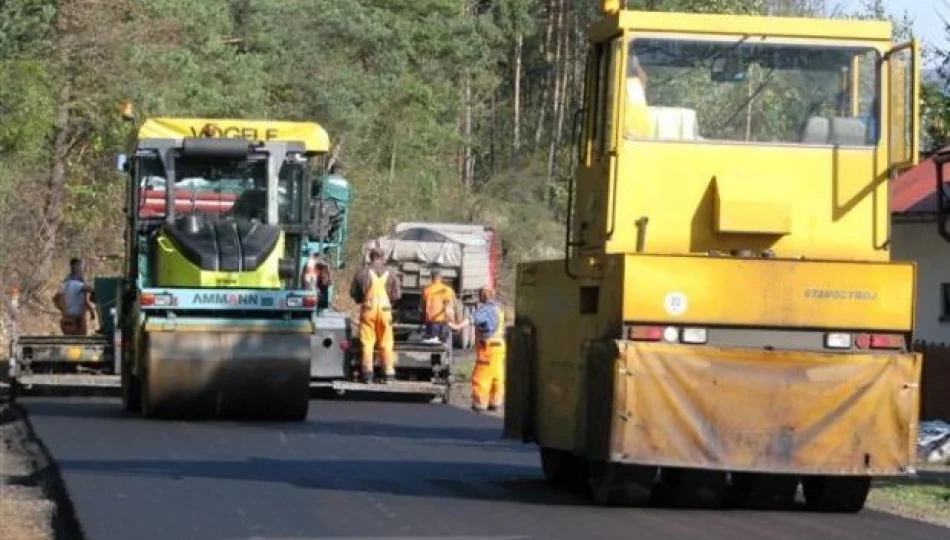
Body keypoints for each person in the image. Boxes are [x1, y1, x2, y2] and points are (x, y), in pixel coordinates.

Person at [349, 247, 401, 384]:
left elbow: (354, 293)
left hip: (368, 310)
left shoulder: (362, 273)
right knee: (386, 342)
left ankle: (367, 374)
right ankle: (388, 374)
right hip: (385, 311)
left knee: (367, 342)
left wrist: (361, 299)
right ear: (383, 258)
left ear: (370, 257)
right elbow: (397, 295)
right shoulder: (391, 273)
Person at [450, 286, 505, 413]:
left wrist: (458, 326)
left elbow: (472, 319)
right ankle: (495, 402)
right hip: (499, 346)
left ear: (483, 296)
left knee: (481, 376)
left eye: (480, 294)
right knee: (497, 375)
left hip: (488, 348)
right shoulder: (499, 308)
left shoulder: (486, 310)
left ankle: (480, 403)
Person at [53, 258, 96, 336]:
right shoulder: (77, 284)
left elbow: (55, 298)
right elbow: (90, 289)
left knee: (69, 341)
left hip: (67, 319)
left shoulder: (64, 284)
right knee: (79, 341)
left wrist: (91, 311)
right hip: (76, 321)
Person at [420, 269, 457, 347]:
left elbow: (423, 307)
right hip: (444, 322)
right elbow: (451, 307)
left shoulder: (426, 290)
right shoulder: (447, 290)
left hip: (431, 322)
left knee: (434, 347)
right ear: (441, 278)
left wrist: (424, 317)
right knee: (443, 345)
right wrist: (452, 321)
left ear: (431, 278)